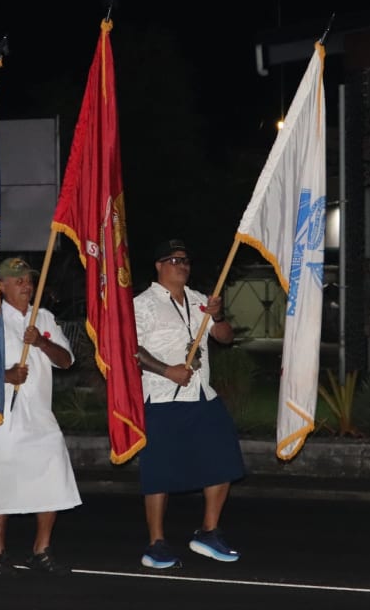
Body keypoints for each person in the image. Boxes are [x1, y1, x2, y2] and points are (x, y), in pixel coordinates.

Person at [133, 238, 245, 569]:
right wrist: (167, 370)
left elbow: (226, 337)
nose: (182, 265)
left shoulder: (200, 301)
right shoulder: (142, 305)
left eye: (186, 260)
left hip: (201, 394)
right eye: (174, 260)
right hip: (162, 396)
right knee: (159, 472)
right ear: (158, 265)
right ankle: (156, 543)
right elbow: (130, 350)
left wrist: (218, 315)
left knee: (224, 456)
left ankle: (208, 532)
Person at [0, 256, 80, 576]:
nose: (26, 285)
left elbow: (66, 360)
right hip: (5, 417)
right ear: (1, 286)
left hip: (40, 414)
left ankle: (41, 550)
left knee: (53, 474)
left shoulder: (45, 318)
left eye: (29, 279)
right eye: (18, 280)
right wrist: (5, 375)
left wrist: (40, 341)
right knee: (2, 484)